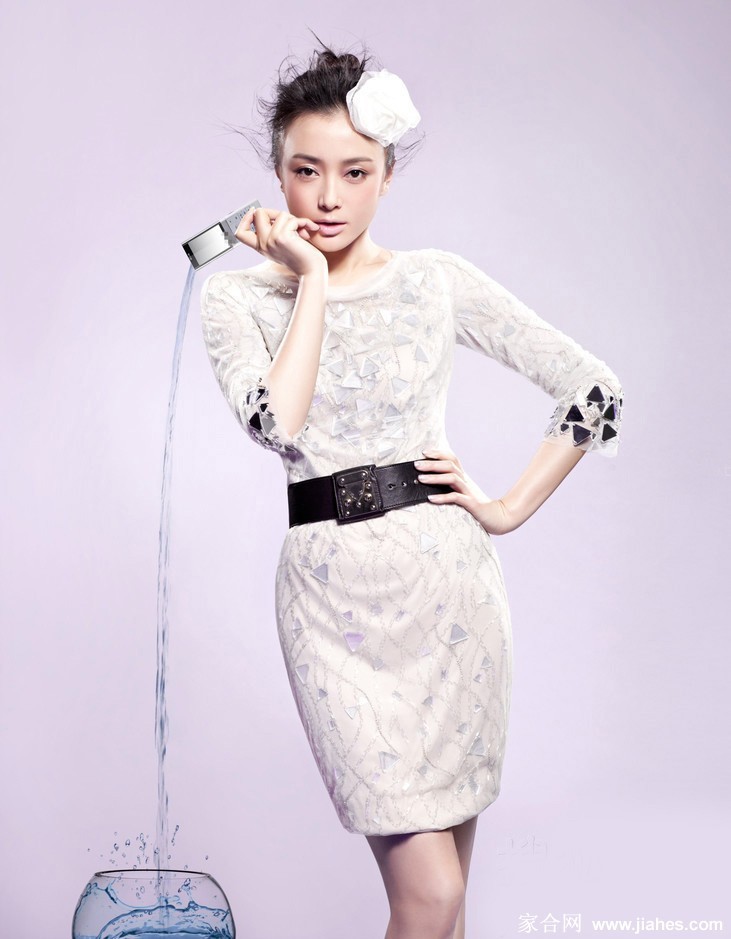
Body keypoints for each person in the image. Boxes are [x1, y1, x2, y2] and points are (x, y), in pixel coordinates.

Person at [199, 41, 624, 939]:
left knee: (445, 904)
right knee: (428, 896)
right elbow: (278, 420)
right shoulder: (234, 301)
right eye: (306, 170)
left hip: (449, 596)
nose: (327, 197)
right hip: (332, 608)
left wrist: (506, 509)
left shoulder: (435, 280)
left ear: (386, 176)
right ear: (276, 173)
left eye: (354, 172)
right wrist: (312, 280)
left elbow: (593, 387)